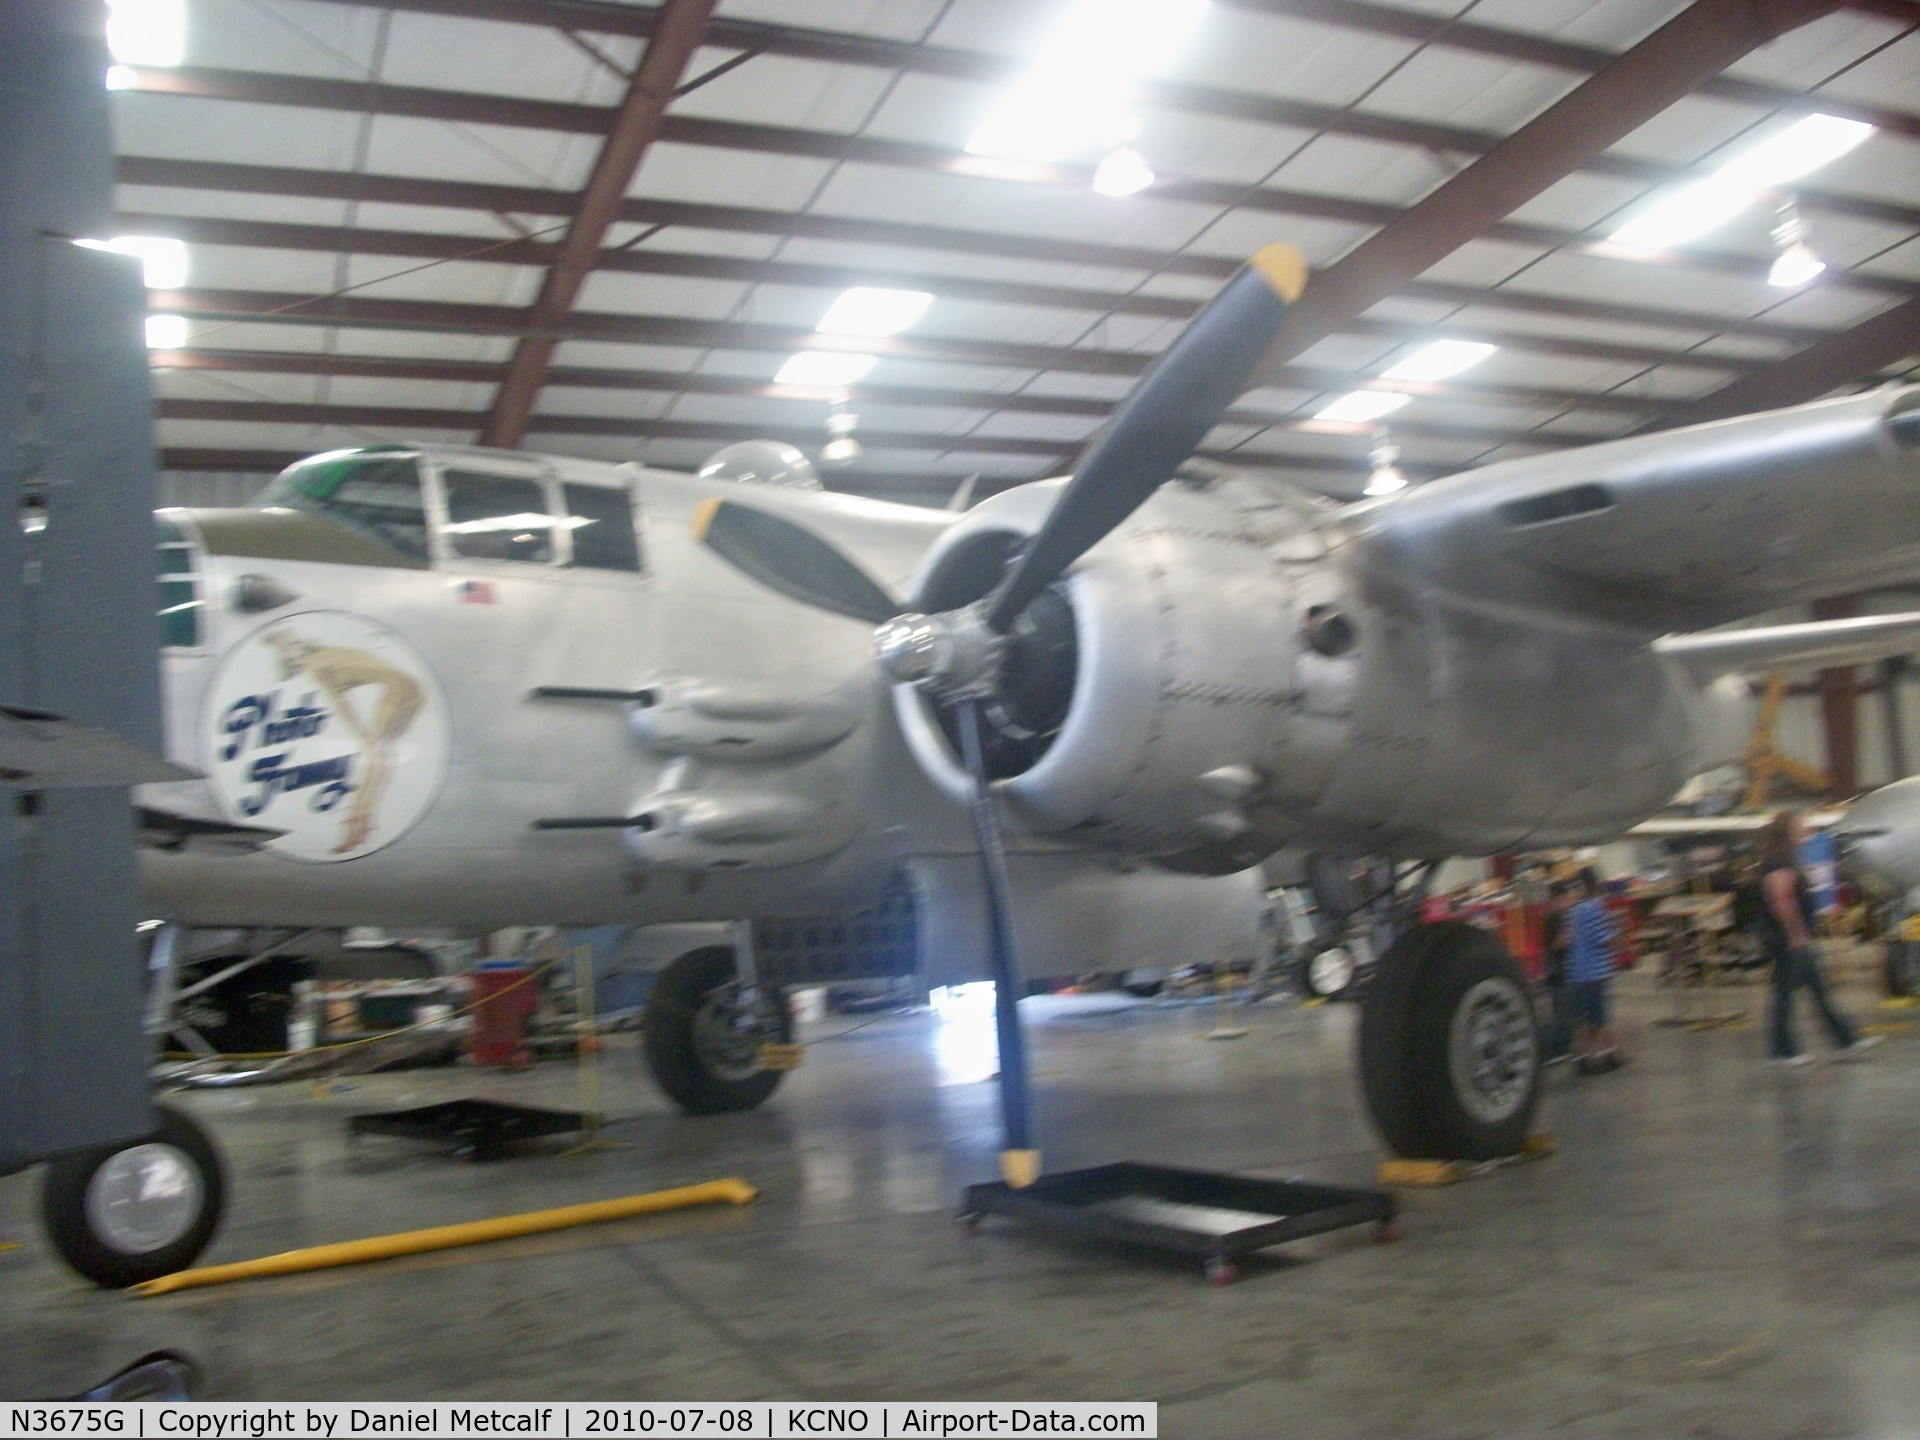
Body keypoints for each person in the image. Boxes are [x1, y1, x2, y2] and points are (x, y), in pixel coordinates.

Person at [1759, 811, 1881, 1068]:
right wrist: (1796, 934)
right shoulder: (1780, 860)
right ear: (1788, 831)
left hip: (1796, 938)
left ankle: (1845, 1041)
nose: (1806, 829)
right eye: (1800, 825)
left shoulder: (1788, 858)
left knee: (1818, 990)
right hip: (1788, 939)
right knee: (1785, 995)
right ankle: (1782, 1050)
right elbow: (1782, 900)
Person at [1566, 869, 1626, 1075]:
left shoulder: (1574, 910)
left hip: (1578, 970)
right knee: (1597, 1018)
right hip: (1594, 971)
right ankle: (1595, 1058)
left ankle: (1597, 1056)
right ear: (1594, 884)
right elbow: (1602, 939)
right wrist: (1618, 929)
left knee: (1588, 1018)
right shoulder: (1594, 907)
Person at [1541, 878, 1576, 1066]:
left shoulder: (1557, 917)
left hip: (1561, 972)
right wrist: (1569, 935)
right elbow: (1555, 945)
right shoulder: (1554, 918)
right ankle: (1549, 1050)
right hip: (1559, 973)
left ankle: (1562, 1049)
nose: (1568, 902)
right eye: (1565, 898)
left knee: (1565, 1015)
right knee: (1562, 1016)